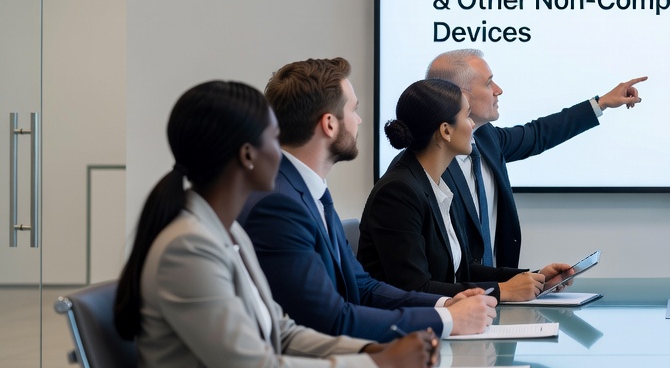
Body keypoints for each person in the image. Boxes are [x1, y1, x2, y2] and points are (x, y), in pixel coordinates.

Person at [113, 81, 441, 368]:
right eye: (275, 138)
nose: (283, 153)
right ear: (248, 155)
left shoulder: (226, 229)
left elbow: (281, 331)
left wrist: (371, 349)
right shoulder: (188, 248)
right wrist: (380, 366)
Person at [239, 58, 511, 345]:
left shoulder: (307, 189)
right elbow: (330, 320)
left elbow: (362, 286)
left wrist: (446, 303)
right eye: (353, 110)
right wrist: (448, 320)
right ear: (329, 124)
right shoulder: (280, 205)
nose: (358, 120)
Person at [425, 49, 646, 268]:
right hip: (455, 299)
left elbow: (538, 134)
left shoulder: (485, 137)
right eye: (488, 83)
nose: (498, 90)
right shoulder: (433, 163)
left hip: (494, 294)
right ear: (460, 95)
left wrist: (602, 103)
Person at [359, 78, 571, 297]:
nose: (473, 125)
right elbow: (415, 288)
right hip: (408, 328)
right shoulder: (398, 193)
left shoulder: (435, 183)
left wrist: (533, 278)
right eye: (467, 116)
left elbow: (461, 270)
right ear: (445, 131)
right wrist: (502, 291)